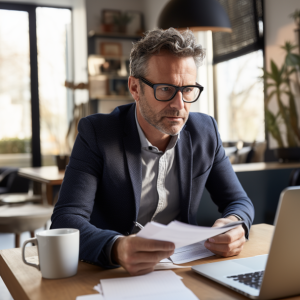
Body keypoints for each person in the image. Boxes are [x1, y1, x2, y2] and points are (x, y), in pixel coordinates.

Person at [51, 28, 254, 276]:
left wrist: (235, 225)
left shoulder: (205, 131)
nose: (179, 105)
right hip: (114, 273)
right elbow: (65, 219)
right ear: (135, 88)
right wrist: (116, 247)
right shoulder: (97, 133)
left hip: (185, 267)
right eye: (166, 89)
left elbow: (238, 201)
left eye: (188, 89)